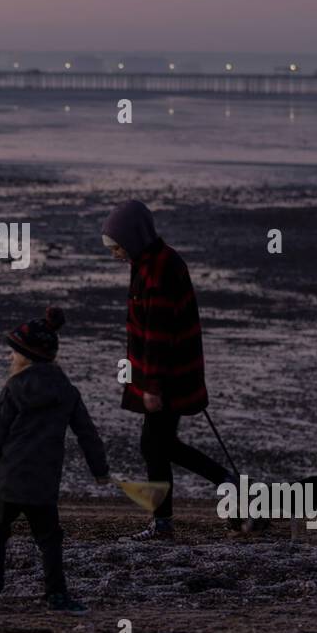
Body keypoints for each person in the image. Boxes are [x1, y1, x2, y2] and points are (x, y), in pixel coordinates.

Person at [102, 199, 234, 541]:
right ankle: (228, 486)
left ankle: (164, 523)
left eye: (115, 246)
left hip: (168, 378)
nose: (113, 253)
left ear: (133, 238)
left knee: (154, 446)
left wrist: (152, 387)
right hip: (171, 374)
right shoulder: (151, 261)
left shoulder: (158, 270)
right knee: (160, 445)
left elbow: (158, 335)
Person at [0, 306, 110, 612]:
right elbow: (87, 433)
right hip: (44, 483)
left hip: (8, 481)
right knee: (49, 539)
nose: (10, 358)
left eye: (13, 353)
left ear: (26, 356)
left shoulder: (14, 389)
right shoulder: (67, 390)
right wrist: (100, 471)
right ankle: (57, 595)